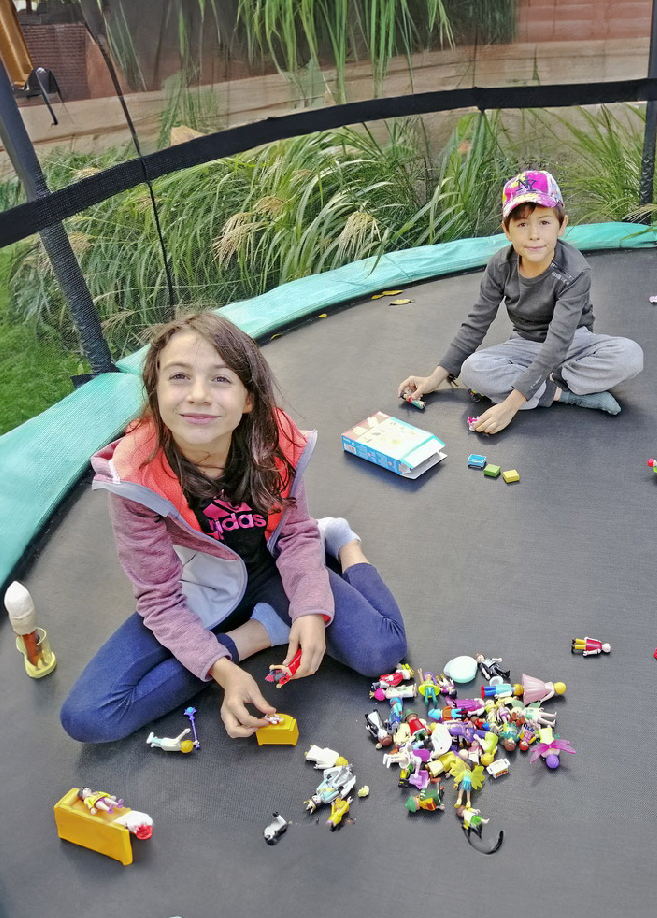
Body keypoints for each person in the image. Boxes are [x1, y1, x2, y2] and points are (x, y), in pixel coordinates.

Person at [60, 313, 406, 743]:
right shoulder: (135, 477)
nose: (199, 395)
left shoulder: (274, 440)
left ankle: (340, 539)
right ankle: (259, 633)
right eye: (180, 377)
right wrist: (224, 668)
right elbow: (159, 599)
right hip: (204, 586)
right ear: (156, 390)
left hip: (274, 568)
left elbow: (295, 532)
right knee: (89, 717)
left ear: (247, 398)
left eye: (221, 379)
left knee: (383, 650)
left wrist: (311, 607)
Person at [398, 170, 643, 434]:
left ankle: (537, 385)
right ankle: (567, 395)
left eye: (544, 223)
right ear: (507, 230)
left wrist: (510, 406)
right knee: (472, 370)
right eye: (523, 224)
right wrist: (436, 378)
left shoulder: (574, 271)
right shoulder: (500, 266)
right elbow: (476, 323)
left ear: (562, 226)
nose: (534, 235)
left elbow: (559, 342)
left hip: (573, 343)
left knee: (629, 355)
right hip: (524, 346)